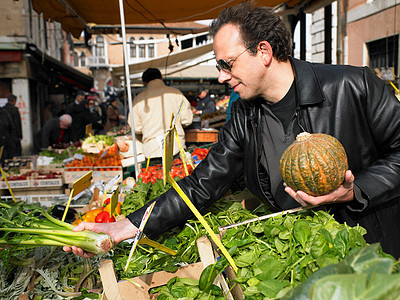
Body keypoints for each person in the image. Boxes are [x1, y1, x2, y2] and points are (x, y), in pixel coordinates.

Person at [64, 2, 400, 260]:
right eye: (219, 66)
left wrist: (353, 192)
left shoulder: (352, 85)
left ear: (264, 52)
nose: (222, 76)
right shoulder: (243, 112)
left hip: (370, 249)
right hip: (302, 252)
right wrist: (124, 226)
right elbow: (203, 183)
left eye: (228, 63)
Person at [128, 67, 193, 164]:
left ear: (145, 83)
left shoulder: (138, 99)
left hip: (152, 150)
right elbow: (187, 120)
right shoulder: (176, 93)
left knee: (155, 178)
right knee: (180, 176)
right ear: (161, 78)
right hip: (176, 147)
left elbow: (136, 127)